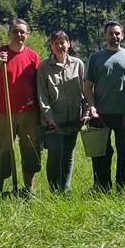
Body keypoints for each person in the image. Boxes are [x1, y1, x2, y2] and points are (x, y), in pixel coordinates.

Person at [84, 21, 125, 192]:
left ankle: (124, 187)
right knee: (100, 153)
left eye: (117, 33)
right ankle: (101, 187)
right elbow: (88, 86)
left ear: (123, 35)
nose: (114, 37)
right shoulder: (95, 58)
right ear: (104, 35)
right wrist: (92, 107)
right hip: (100, 114)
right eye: (111, 33)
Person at [0, 18, 41, 196]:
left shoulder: (33, 56)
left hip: (29, 113)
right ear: (9, 33)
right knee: (2, 152)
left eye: (23, 32)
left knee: (30, 151)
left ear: (28, 35)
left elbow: (38, 84)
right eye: (15, 31)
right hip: (3, 113)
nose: (19, 35)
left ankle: (28, 191)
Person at [36, 30, 87, 193]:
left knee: (68, 155)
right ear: (51, 46)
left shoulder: (78, 64)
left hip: (73, 119)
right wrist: (48, 117)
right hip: (53, 121)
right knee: (55, 154)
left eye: (63, 42)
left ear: (69, 44)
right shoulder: (44, 67)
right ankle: (53, 189)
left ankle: (64, 189)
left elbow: (85, 90)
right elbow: (42, 94)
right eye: (56, 42)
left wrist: (85, 112)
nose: (60, 45)